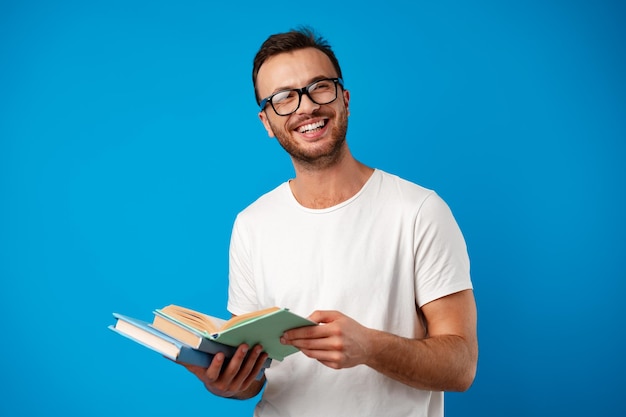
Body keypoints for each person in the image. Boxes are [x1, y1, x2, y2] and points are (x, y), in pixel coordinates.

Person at [184, 26, 478, 417]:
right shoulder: (251, 224)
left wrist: (370, 347)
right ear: (267, 124)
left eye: (319, 87)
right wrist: (229, 381)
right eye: (283, 98)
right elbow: (257, 374)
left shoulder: (420, 210)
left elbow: (461, 367)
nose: (305, 107)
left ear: (345, 99)